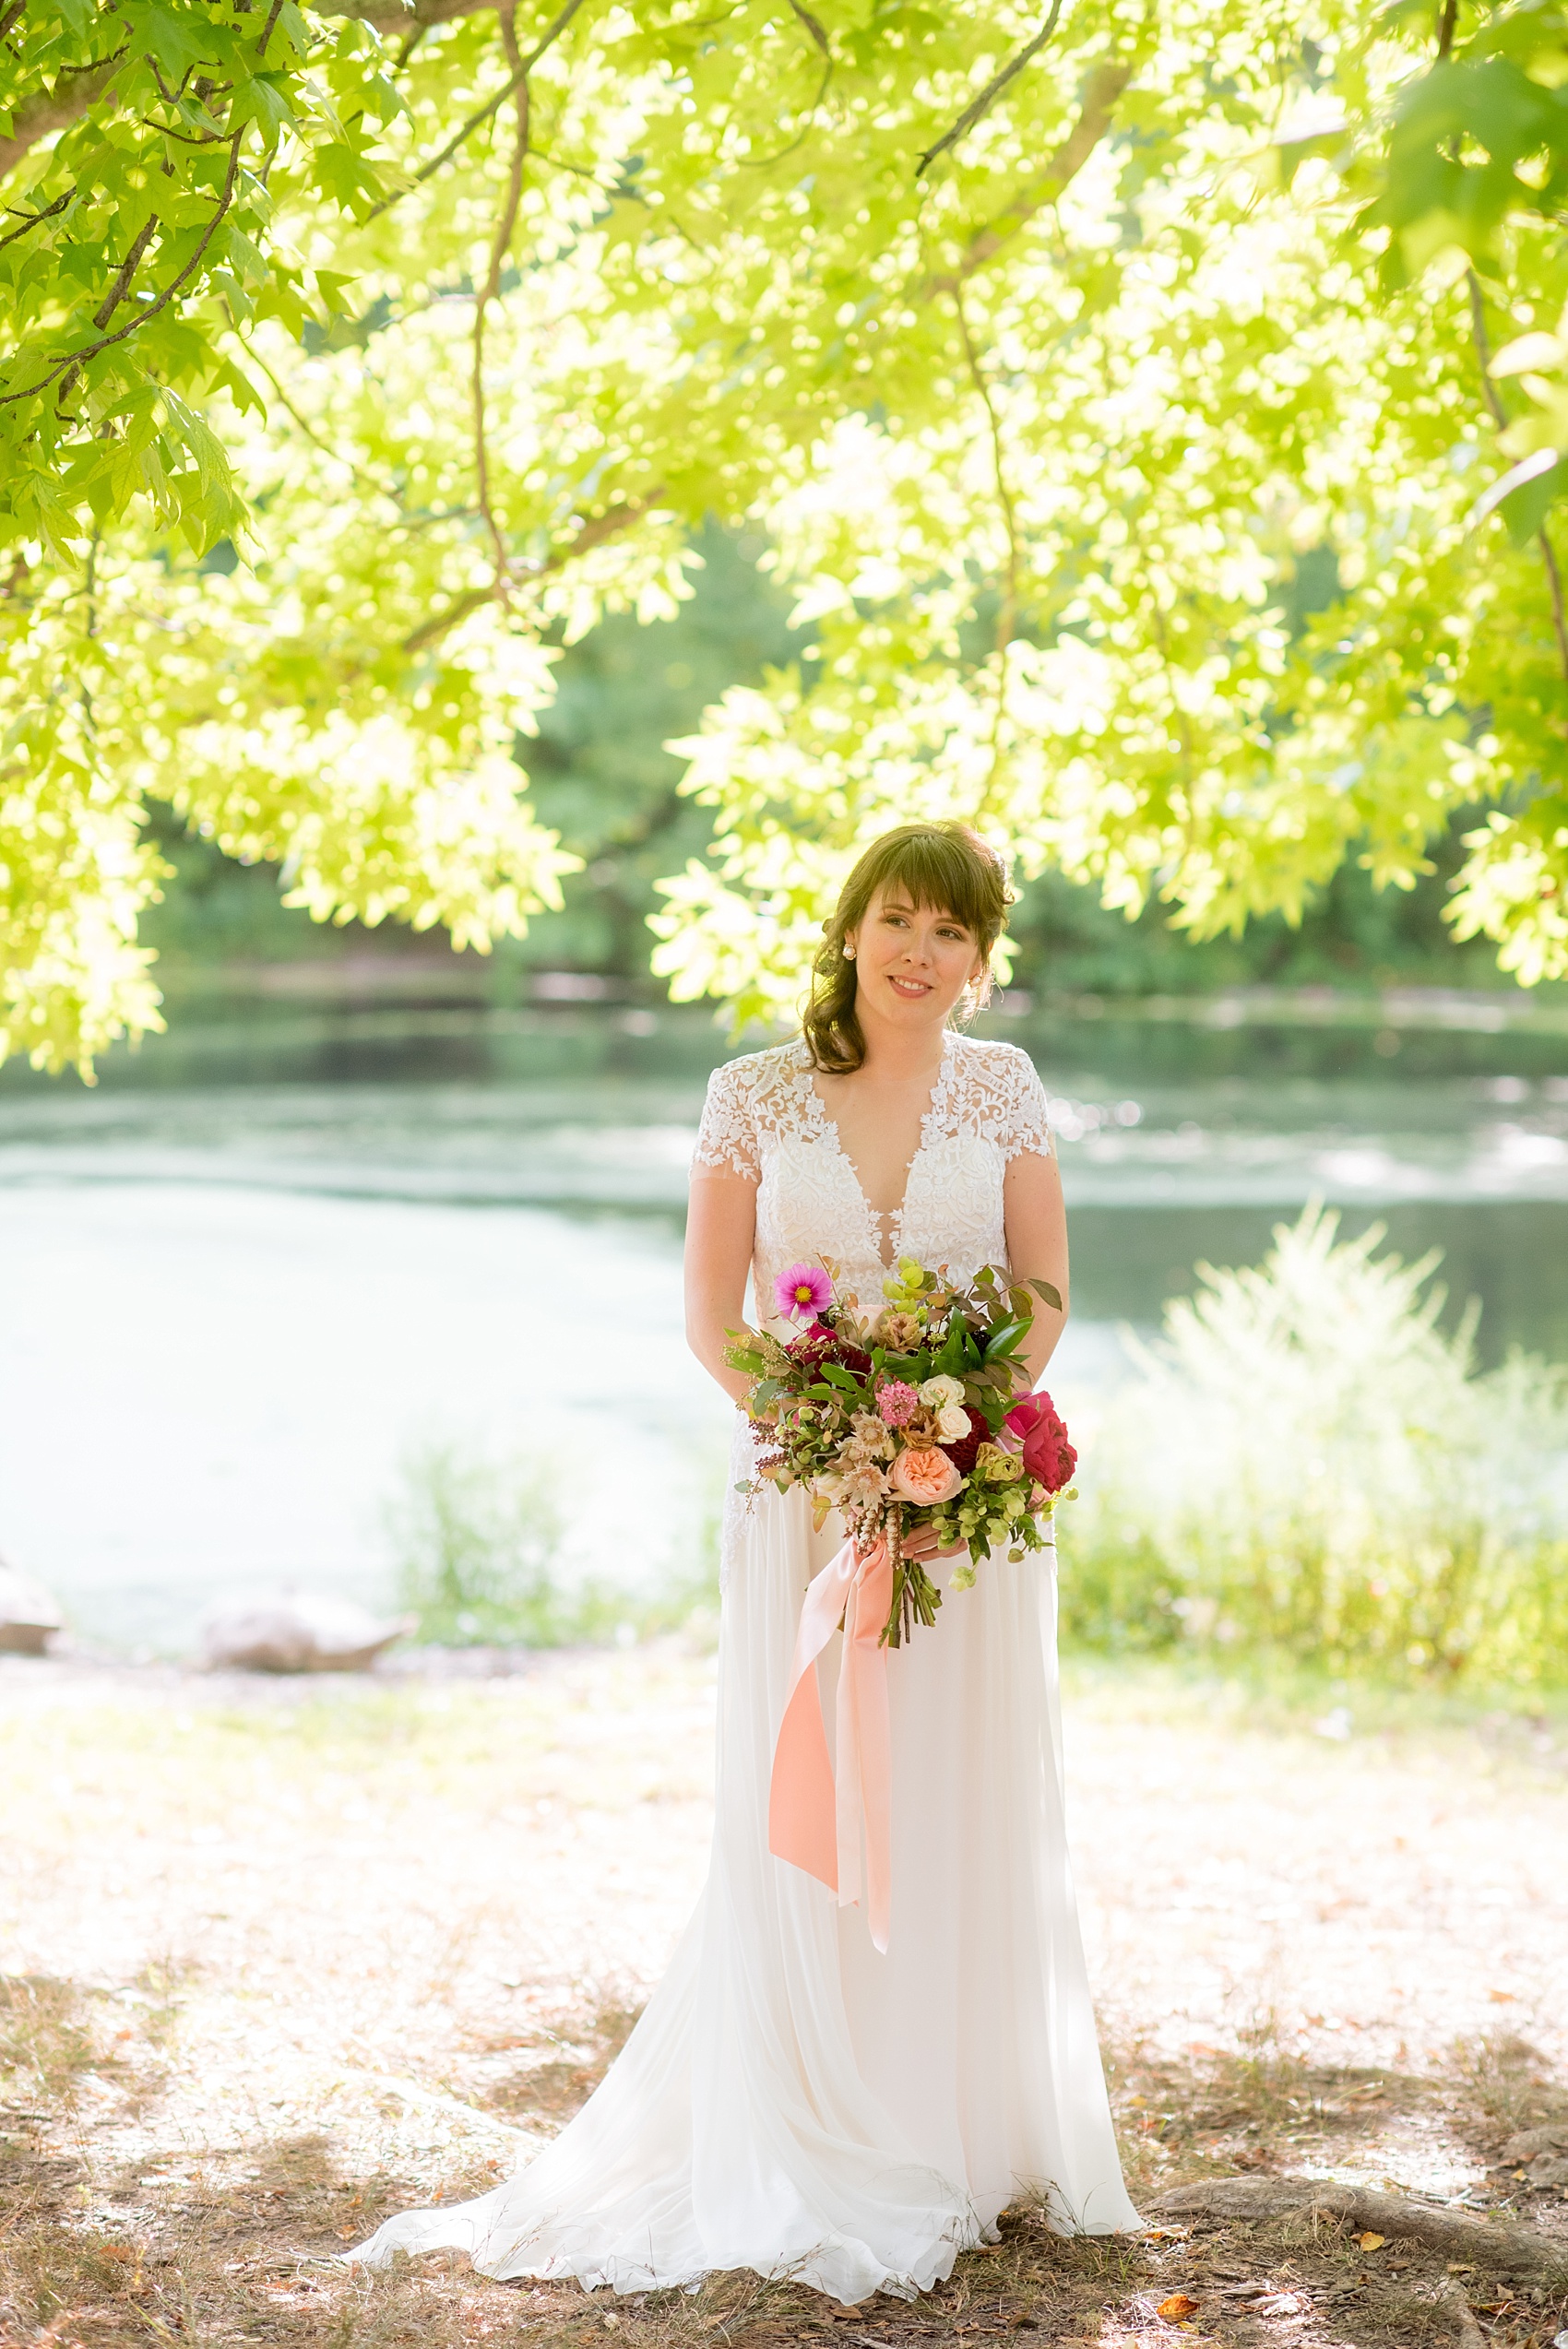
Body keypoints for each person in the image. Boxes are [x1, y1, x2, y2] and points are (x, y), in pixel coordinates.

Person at [350, 820, 1137, 2300]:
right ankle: (813, 2112)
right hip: (802, 1487)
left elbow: (1041, 1290)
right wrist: (835, 1439)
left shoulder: (1008, 1089)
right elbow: (713, 1316)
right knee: (813, 1782)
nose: (922, 952)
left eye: (953, 933)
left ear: (983, 959)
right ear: (851, 928)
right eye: (899, 919)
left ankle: (962, 2130)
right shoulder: (752, 1094)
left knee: (959, 1778)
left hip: (967, 1507)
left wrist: (962, 1431)